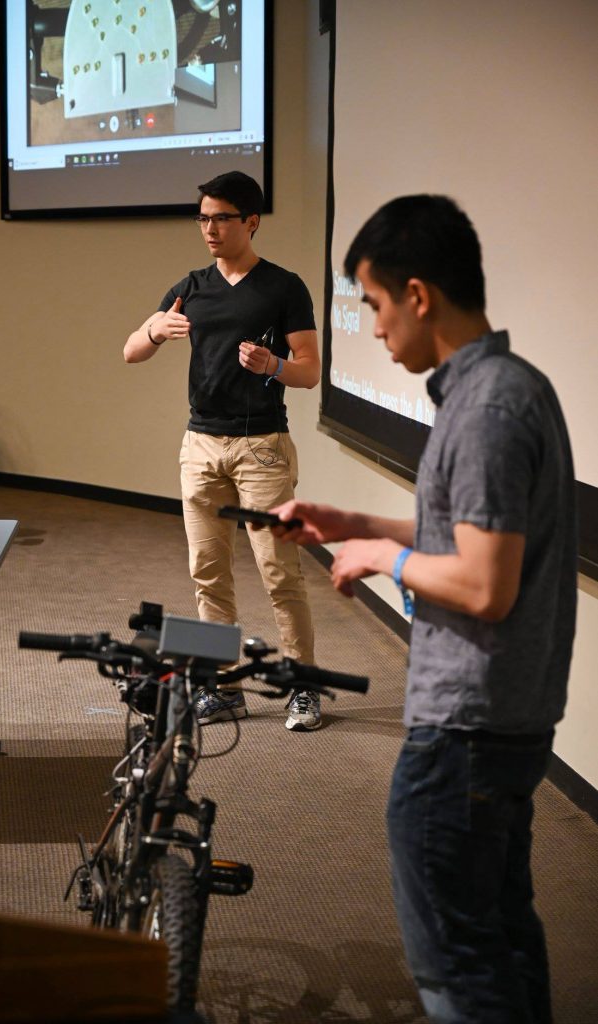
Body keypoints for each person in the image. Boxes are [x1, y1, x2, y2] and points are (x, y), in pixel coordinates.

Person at [273, 195, 576, 1022]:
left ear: (415, 295)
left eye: (370, 304)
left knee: (457, 965)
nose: (369, 329)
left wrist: (384, 558)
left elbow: (484, 584)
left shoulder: (484, 409)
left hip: (465, 734)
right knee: (501, 938)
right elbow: (476, 535)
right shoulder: (510, 389)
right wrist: (355, 524)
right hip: (501, 725)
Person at [124, 171, 322, 730]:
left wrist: (274, 365)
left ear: (251, 221)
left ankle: (301, 687)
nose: (209, 229)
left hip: (262, 448)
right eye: (203, 218)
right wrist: (157, 330)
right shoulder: (191, 286)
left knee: (279, 572)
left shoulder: (284, 288)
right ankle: (220, 685)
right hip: (201, 445)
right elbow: (131, 350)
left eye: (221, 218)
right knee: (208, 571)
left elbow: (309, 372)